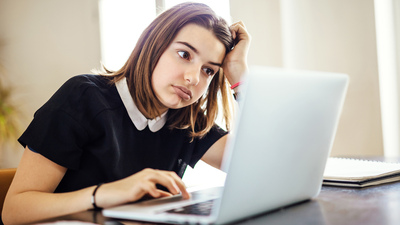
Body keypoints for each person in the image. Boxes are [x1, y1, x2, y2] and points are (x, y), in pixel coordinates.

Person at [2, 2, 250, 224]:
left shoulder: (187, 120)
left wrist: (240, 76)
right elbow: (14, 210)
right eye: (184, 54)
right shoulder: (83, 97)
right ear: (153, 46)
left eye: (208, 70)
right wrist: (104, 194)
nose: (193, 78)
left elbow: (258, 164)